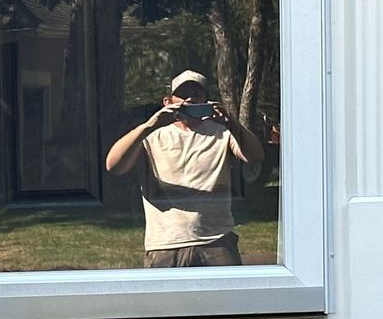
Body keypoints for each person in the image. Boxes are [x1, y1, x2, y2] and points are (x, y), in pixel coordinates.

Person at [104, 71, 264, 268]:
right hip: (165, 243)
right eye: (182, 94)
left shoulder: (223, 132)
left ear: (206, 100)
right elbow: (114, 166)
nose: (189, 99)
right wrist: (150, 125)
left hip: (217, 240)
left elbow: (255, 157)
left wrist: (231, 122)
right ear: (168, 102)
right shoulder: (152, 135)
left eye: (196, 94)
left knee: (227, 290)